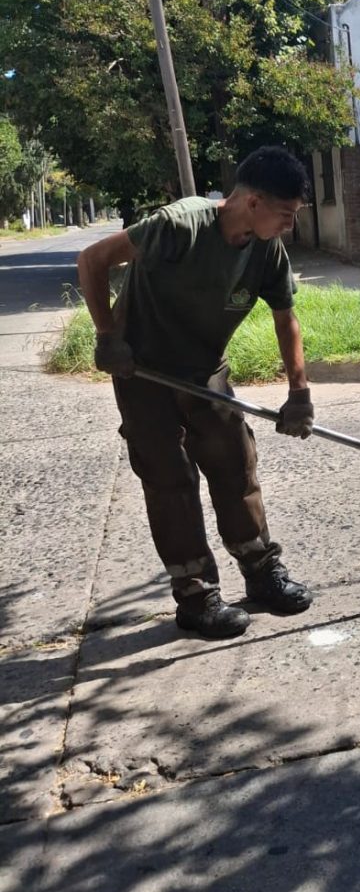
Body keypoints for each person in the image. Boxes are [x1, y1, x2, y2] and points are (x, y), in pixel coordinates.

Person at [77, 146, 316, 641]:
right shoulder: (179, 226)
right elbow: (93, 258)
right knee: (170, 480)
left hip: (205, 370)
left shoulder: (267, 248)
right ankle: (196, 594)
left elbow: (285, 317)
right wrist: (107, 337)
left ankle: (259, 568)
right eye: (286, 214)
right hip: (144, 371)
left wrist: (300, 392)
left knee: (234, 463)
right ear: (253, 202)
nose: (290, 226)